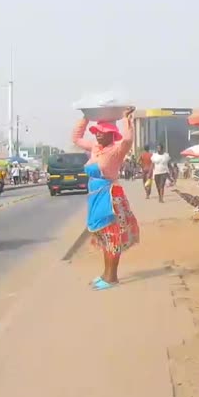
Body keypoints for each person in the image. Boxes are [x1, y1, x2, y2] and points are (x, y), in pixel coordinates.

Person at [74, 109, 139, 290]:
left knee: (112, 237)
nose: (98, 136)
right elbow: (76, 139)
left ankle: (112, 277)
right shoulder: (95, 149)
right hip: (95, 197)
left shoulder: (117, 150)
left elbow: (127, 140)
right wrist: (86, 118)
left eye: (102, 133)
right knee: (103, 236)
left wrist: (126, 119)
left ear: (112, 135)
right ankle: (106, 273)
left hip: (109, 197)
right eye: (96, 133)